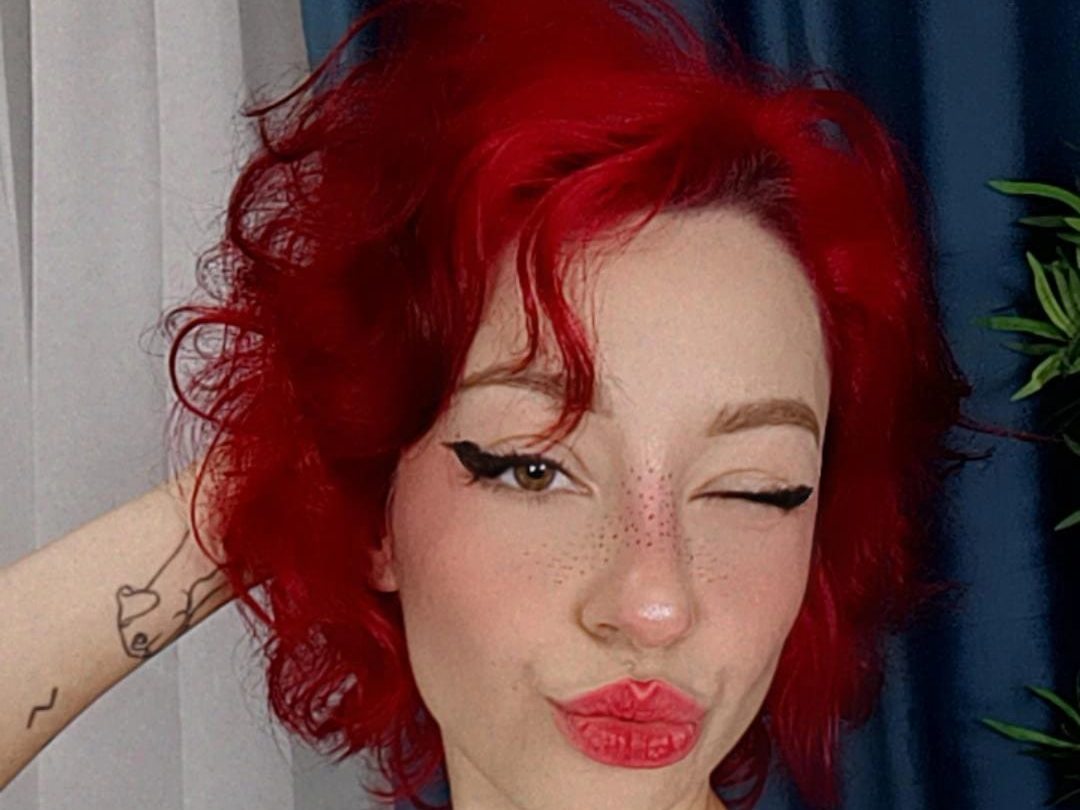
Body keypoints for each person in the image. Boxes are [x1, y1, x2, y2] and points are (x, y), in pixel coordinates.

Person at [0, 0, 975, 807]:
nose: (655, 604)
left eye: (755, 490)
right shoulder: (353, 486)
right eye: (533, 466)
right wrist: (291, 482)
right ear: (375, 513)